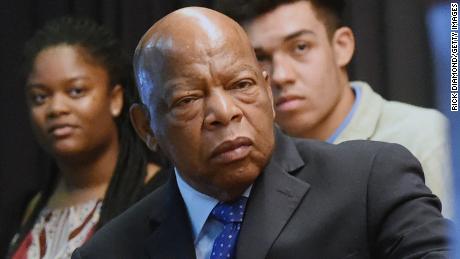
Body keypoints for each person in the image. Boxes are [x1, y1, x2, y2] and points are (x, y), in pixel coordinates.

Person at [71, 7, 450, 259]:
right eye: (188, 100)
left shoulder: (369, 179)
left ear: (266, 91)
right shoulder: (110, 250)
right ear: (146, 127)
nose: (224, 112)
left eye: (241, 85)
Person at [214, 0, 453, 218]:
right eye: (261, 58)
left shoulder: (425, 139)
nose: (281, 75)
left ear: (342, 46)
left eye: (300, 47)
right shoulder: (249, 158)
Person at [7, 17, 169, 259]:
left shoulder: (162, 194)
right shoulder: (29, 207)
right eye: (40, 97)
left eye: (76, 91)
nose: (56, 108)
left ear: (115, 99)